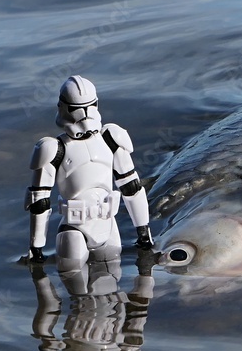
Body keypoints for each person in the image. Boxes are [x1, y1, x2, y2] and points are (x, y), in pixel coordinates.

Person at [25, 75, 153, 293]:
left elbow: (131, 186)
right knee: (76, 289)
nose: (84, 115)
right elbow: (40, 200)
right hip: (74, 228)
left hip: (108, 225)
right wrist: (36, 247)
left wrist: (144, 231)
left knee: (110, 292)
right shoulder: (53, 149)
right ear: (64, 108)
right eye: (77, 109)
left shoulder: (111, 138)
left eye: (89, 107)